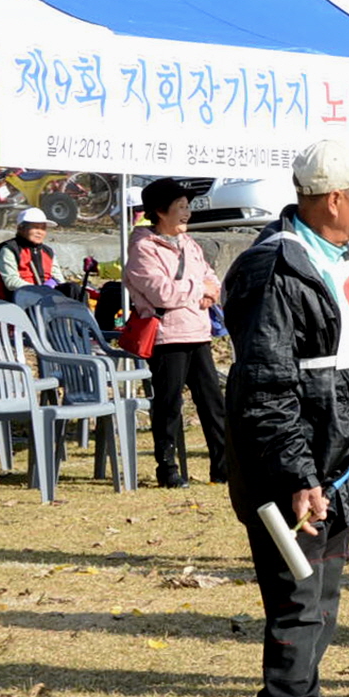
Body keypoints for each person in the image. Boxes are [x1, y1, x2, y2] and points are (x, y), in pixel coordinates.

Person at [219, 140, 349, 697]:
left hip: (343, 455)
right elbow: (267, 387)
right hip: (290, 463)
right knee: (296, 599)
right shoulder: (271, 269)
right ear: (332, 198)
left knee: (324, 597)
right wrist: (298, 476)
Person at [125, 178, 229, 488]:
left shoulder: (190, 244)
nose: (187, 213)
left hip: (198, 332)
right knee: (169, 404)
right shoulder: (143, 247)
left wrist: (204, 290)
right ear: (159, 211)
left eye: (188, 207)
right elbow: (162, 293)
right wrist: (200, 291)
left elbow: (213, 281)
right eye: (180, 207)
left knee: (213, 404)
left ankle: (223, 467)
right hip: (168, 336)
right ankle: (167, 468)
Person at [0, 207, 84, 300]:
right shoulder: (8, 249)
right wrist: (40, 290)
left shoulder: (48, 252)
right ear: (21, 228)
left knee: (74, 289)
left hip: (45, 297)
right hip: (19, 298)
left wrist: (52, 286)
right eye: (35, 227)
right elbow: (11, 282)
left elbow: (59, 279)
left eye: (43, 228)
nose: (40, 232)